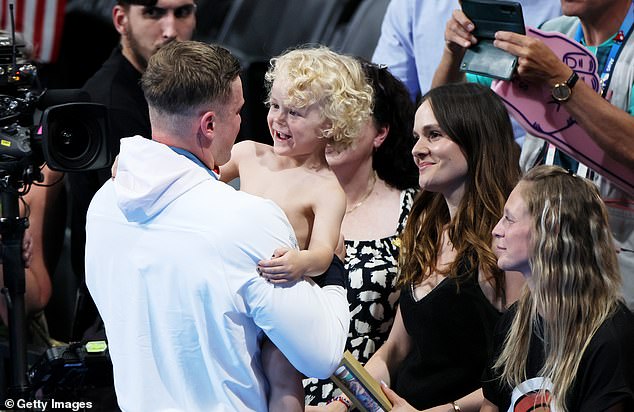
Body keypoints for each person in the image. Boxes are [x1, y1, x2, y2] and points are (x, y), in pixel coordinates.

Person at [85, 40, 350, 412]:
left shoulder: (104, 205)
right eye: (242, 111)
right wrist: (335, 272)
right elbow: (322, 355)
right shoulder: (249, 217)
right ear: (209, 125)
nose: (259, 121)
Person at [312, 82, 523, 412]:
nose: (417, 149)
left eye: (434, 135)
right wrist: (343, 402)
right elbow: (394, 349)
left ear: (474, 136)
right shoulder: (425, 227)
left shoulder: (507, 243)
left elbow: (517, 371)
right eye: (416, 137)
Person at [434, 0, 634, 310]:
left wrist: (560, 78)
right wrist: (453, 52)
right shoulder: (550, 37)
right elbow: (447, 116)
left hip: (615, 267)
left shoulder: (551, 52)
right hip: (536, 265)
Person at [220, 46, 373, 412]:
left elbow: (324, 251)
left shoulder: (326, 188)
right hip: (231, 291)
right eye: (275, 106)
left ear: (332, 124)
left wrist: (299, 263)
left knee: (283, 371)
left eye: (295, 112)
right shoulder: (248, 154)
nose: (278, 119)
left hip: (279, 293)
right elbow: (198, 178)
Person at [70, 0, 197, 339]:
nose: (171, 30)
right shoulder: (109, 103)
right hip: (124, 319)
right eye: (154, 13)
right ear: (121, 19)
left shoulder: (181, 91)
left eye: (183, 13)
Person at [303, 59, 419, 406]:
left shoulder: (414, 212)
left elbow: (405, 339)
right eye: (327, 114)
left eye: (349, 117)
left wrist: (344, 402)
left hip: (365, 396)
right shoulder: (282, 198)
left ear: (380, 132)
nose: (334, 129)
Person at [482, 165, 634, 412]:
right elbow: (491, 406)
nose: (496, 230)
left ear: (550, 231)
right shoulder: (514, 321)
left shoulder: (610, 339)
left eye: (509, 219)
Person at [372, 0, 561, 103]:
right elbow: (385, 102)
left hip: (535, 161)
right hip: (441, 155)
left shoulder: (565, 6)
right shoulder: (410, 5)